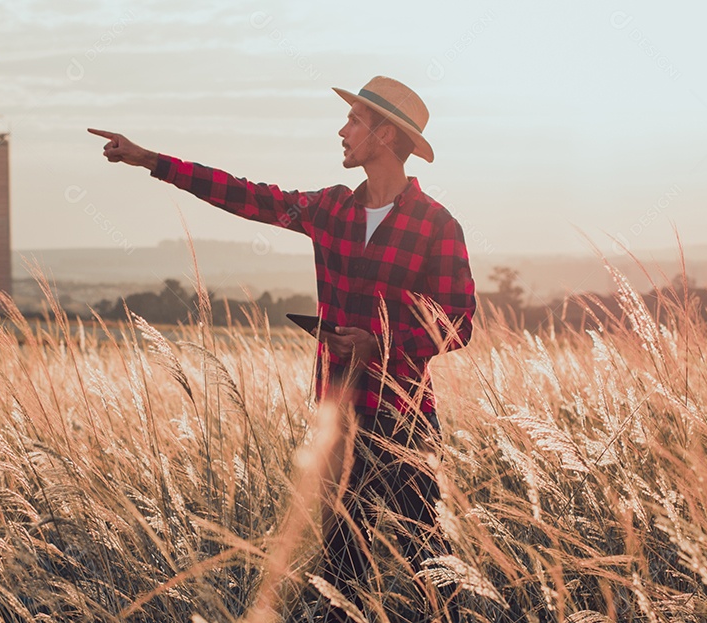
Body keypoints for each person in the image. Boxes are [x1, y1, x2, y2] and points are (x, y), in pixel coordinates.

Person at [89, 75, 475, 622]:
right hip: (337, 418)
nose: (342, 131)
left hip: (405, 420)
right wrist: (151, 160)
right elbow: (248, 197)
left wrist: (381, 345)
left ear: (386, 135)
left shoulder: (436, 225)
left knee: (432, 569)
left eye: (355, 121)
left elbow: (458, 322)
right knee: (341, 576)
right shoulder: (331, 209)